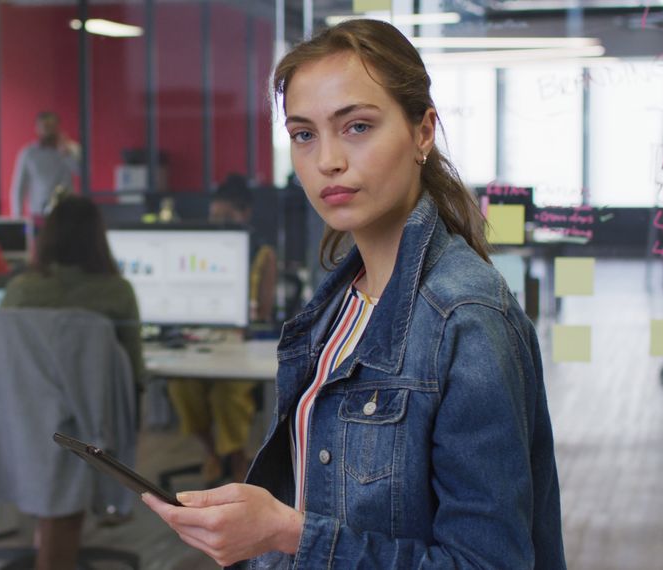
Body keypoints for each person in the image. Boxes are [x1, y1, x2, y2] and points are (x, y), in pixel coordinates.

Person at [143, 19, 565, 568]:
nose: (327, 161)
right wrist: (262, 534)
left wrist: (291, 534)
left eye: (358, 127)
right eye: (304, 134)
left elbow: (488, 562)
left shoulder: (465, 316)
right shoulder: (339, 304)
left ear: (423, 132)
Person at [165, 173, 278, 484]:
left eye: (227, 216)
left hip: (240, 341)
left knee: (228, 392)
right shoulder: (198, 252)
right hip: (199, 337)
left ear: (245, 214)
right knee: (182, 385)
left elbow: (264, 314)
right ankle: (212, 451)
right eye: (214, 216)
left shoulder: (263, 254)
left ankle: (237, 457)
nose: (219, 222)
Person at [0, 195, 144, 386]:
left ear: (46, 237)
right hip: (99, 410)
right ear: (99, 239)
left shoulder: (20, 290)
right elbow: (135, 374)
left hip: (29, 410)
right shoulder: (119, 292)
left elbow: (1, 358)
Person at [10, 111, 81, 219]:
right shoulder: (28, 153)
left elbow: (81, 172)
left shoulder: (72, 148)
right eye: (45, 127)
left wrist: (66, 155)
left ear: (58, 127)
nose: (48, 131)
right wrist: (17, 216)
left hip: (66, 211)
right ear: (37, 128)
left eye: (52, 127)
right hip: (39, 212)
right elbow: (19, 186)